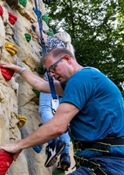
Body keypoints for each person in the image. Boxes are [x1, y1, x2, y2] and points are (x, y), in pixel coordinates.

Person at [0, 48, 124, 175]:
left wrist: (18, 145)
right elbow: (42, 85)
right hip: (107, 164)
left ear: (67, 58)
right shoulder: (88, 78)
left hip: (108, 164)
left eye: (54, 68)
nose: (53, 74)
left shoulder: (81, 78)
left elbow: (57, 126)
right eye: (50, 72)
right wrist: (20, 70)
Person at [32, 22, 74, 170]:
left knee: (45, 108)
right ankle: (66, 154)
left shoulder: (56, 43)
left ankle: (53, 142)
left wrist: (36, 26)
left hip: (52, 80)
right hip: (65, 84)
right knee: (61, 117)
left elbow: (41, 36)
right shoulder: (69, 52)